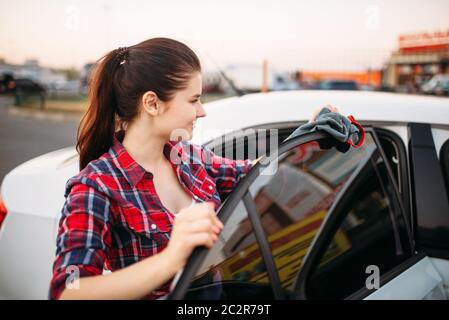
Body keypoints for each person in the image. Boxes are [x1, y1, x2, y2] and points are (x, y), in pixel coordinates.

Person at [49, 37, 334, 300]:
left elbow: (256, 174)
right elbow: (68, 291)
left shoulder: (190, 158)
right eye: (193, 100)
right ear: (152, 103)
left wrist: (308, 135)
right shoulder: (96, 186)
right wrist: (172, 258)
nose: (202, 111)